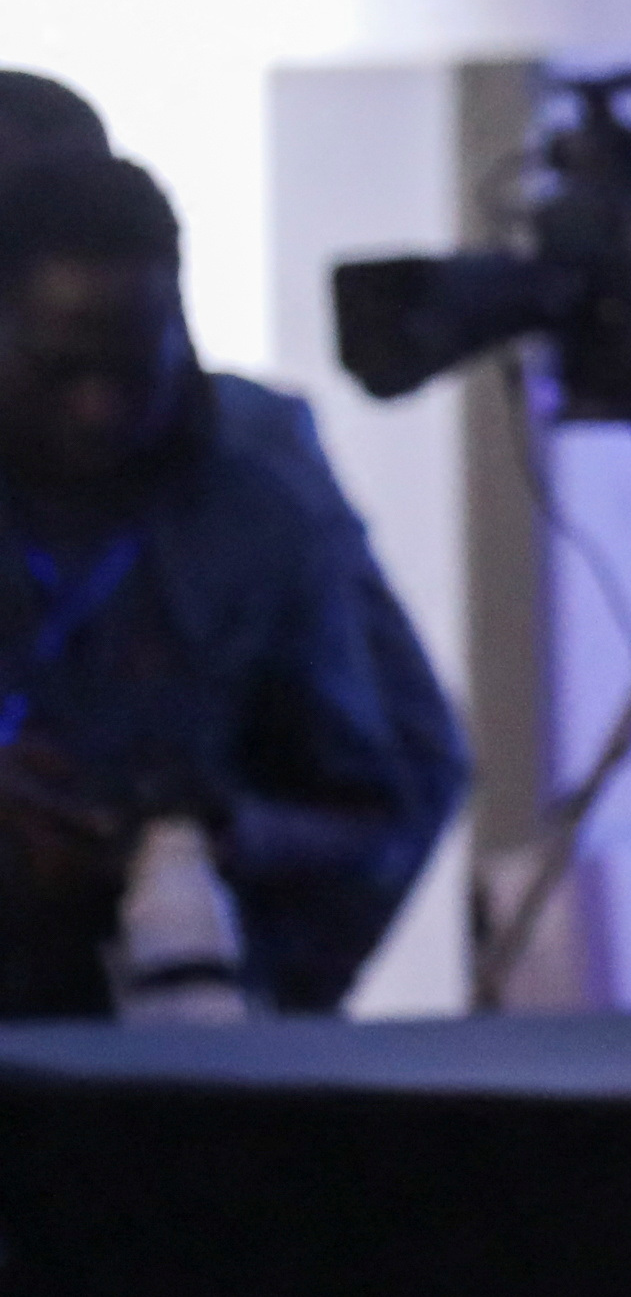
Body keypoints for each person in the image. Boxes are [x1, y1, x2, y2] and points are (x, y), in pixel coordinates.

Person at [0, 149, 464, 1014]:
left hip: (186, 998)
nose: (98, 406)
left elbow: (397, 792)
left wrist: (223, 839)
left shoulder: (259, 497)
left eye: (131, 367)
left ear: (180, 330)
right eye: (61, 369)